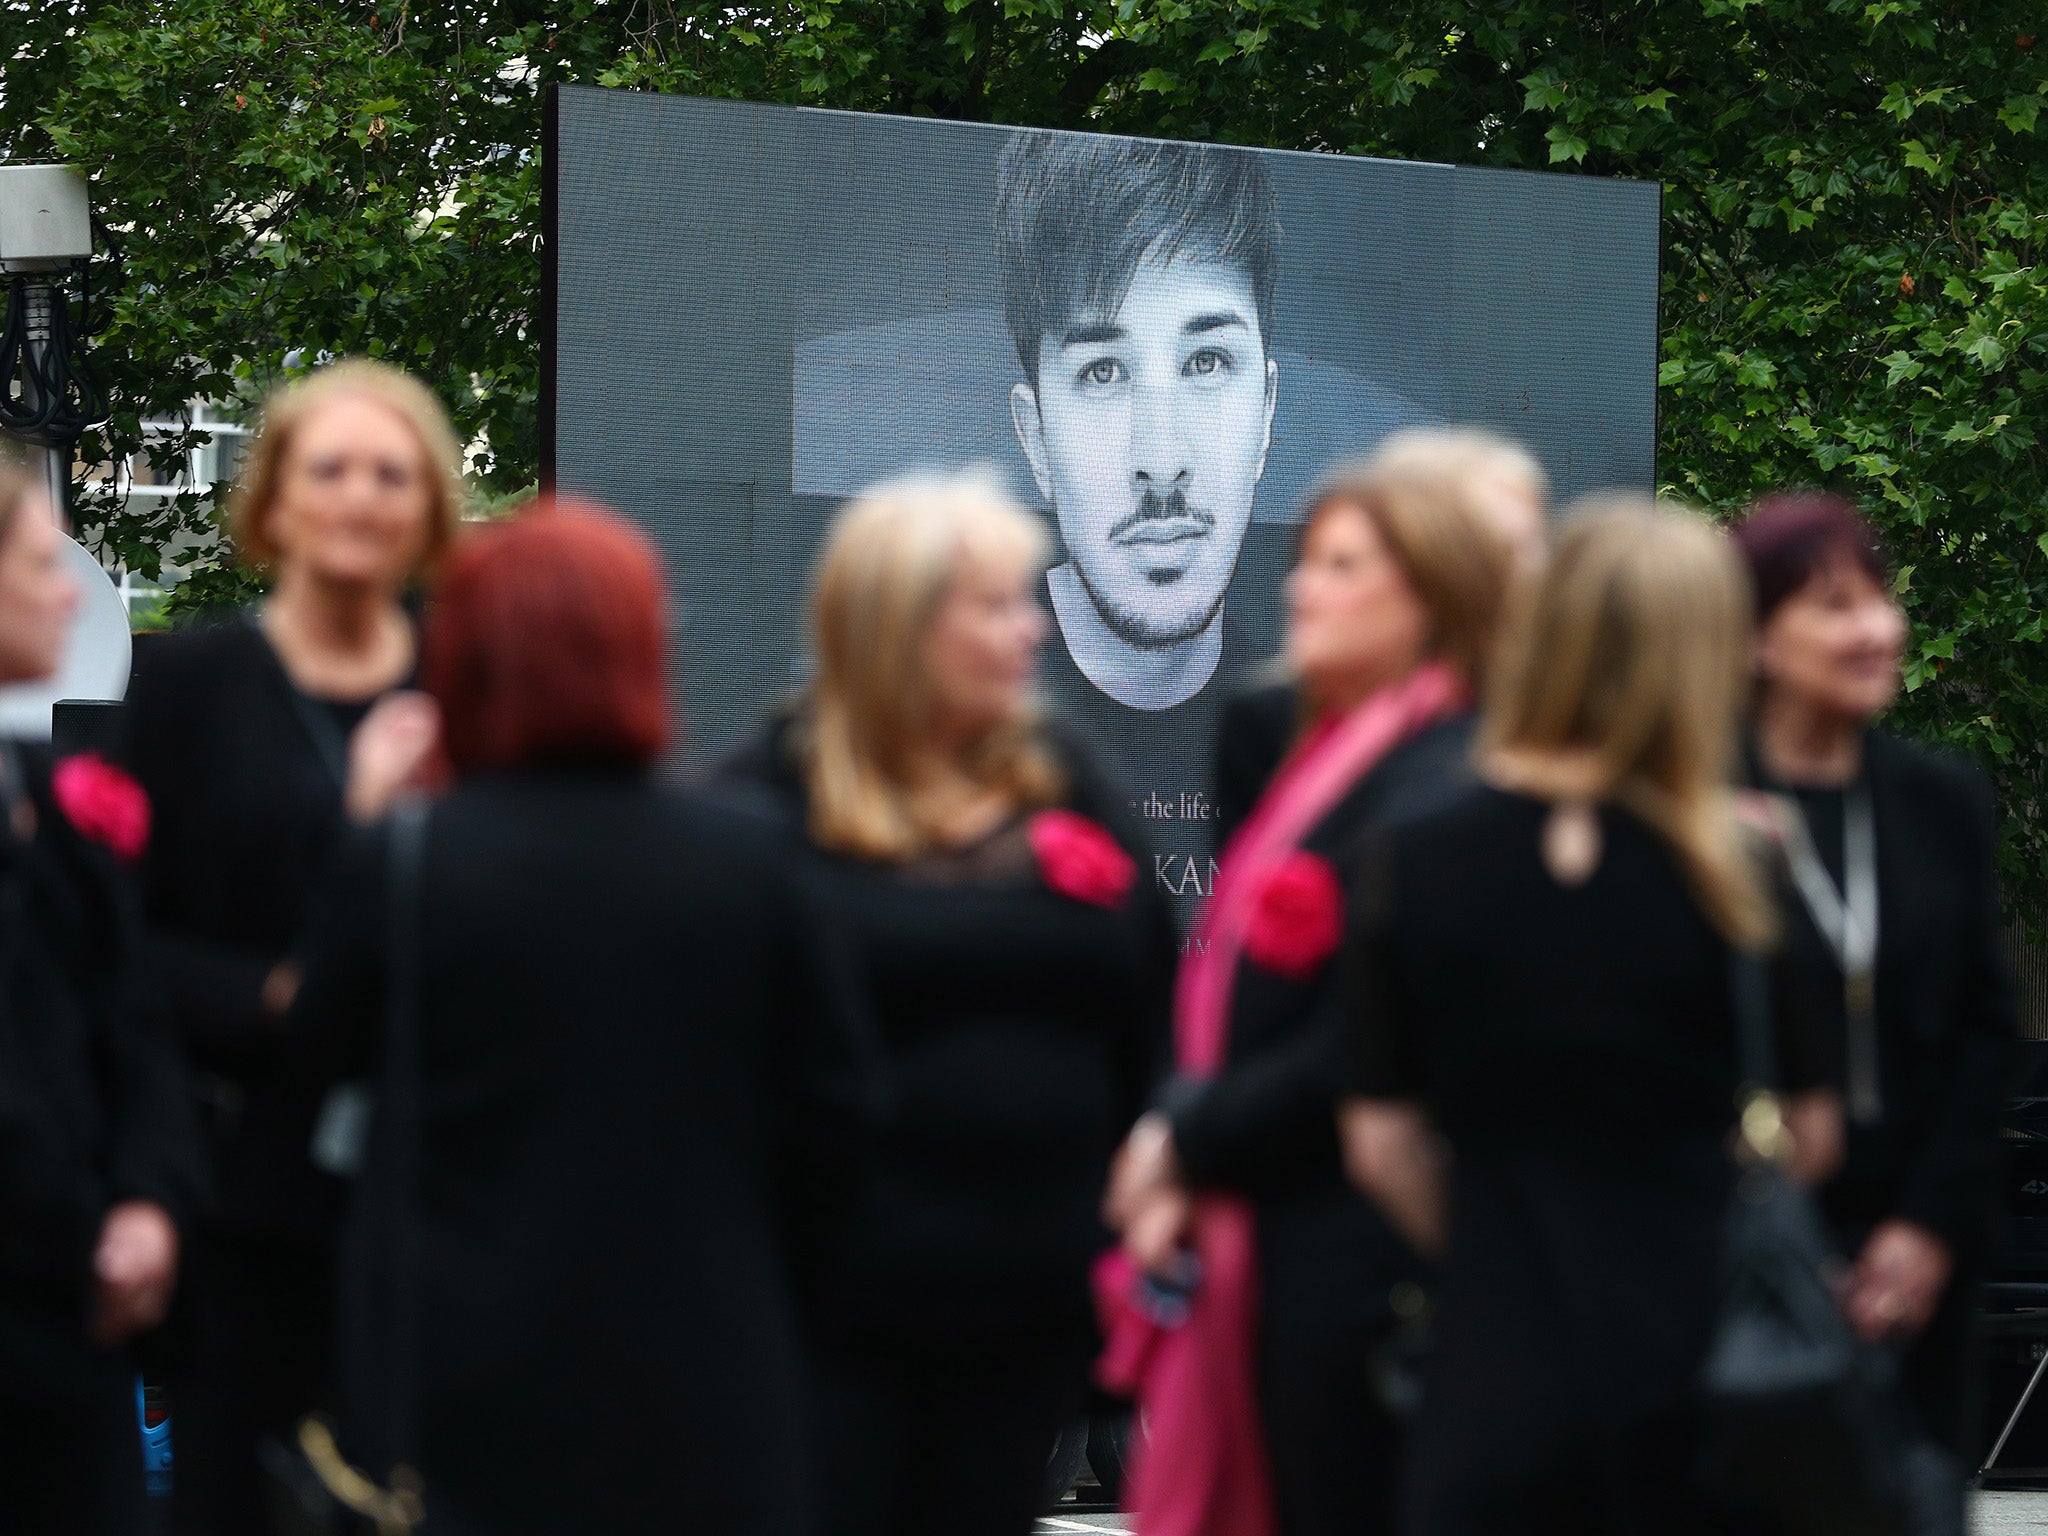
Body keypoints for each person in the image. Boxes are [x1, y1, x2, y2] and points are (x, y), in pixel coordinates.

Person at [289, 500, 836, 1535]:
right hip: (710, 1382)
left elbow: (305, 1081)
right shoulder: (753, 858)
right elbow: (839, 1117)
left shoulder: (407, 862)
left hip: (461, 1389)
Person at [1339, 500, 1843, 1536]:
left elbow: (1382, 1145)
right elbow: (1815, 1129)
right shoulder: (1749, 860)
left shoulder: (1412, 850)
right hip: (1698, 1373)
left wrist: (1491, 1252)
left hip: (1488, 1373)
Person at [724, 473, 1175, 1536]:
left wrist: (1159, 1152)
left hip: (1026, 1310)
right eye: (997, 605)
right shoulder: (766, 798)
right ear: (899, 622)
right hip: (829, 1316)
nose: (1031, 630)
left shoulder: (1057, 774)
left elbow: (1148, 992)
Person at [1100, 460, 1519, 1536]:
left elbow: (1373, 1037)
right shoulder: (1318, 756)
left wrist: (1190, 1138)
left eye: (1341, 567)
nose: (1299, 591)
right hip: (1283, 1229)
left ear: (1430, 591)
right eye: (1305, 564)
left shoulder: (1450, 780)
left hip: (1365, 1258)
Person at [120, 359, 464, 1535]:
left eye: (391, 472)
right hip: (246, 1181)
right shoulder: (187, 685)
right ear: (271, 501)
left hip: (440, 1181)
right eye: (331, 470)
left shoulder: (470, 681)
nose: (361, 496)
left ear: (429, 504)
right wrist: (270, 995)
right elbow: (120, 947)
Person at [1735, 491, 2012, 1475]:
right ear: (1754, 639)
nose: (1874, 630)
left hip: (1914, 1254)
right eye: (1832, 606)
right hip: (1741, 1256)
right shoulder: (1695, 801)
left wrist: (1925, 1229)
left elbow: (1985, 1032)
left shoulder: (1937, 800)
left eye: (1878, 601)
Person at [0, 462, 206, 1534]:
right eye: (41, 565)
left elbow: (137, 1032)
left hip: (64, 1321)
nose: (73, 592)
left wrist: (145, 1197)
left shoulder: (63, 817)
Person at [996, 132, 1281, 909]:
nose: (1162, 460)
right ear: (1035, 439)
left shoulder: (1316, 751)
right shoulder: (943, 734)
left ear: (1266, 414)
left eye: (1207, 362)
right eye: (1102, 371)